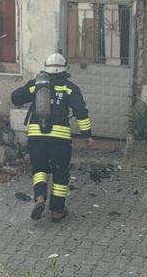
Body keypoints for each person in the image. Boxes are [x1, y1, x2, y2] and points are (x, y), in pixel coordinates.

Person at [11, 52, 94, 223]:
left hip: (36, 136)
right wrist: (87, 135)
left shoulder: (37, 85)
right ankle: (57, 211)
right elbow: (81, 113)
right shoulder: (70, 88)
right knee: (60, 173)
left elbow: (15, 97)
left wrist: (32, 87)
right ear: (65, 69)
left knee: (39, 169)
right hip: (60, 139)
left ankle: (40, 198)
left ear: (46, 69)